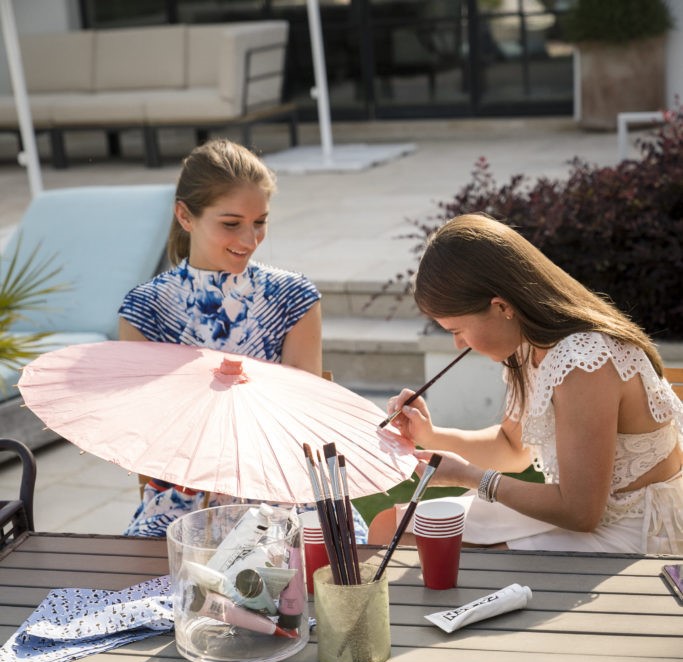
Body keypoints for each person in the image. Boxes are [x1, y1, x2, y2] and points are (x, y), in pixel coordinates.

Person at [370, 213, 683, 554]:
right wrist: (428, 434)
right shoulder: (528, 346)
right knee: (392, 528)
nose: (458, 344)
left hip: (634, 532)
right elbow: (511, 447)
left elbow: (581, 513)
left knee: (442, 552)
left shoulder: (584, 359)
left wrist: (471, 478)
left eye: (457, 331)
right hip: (576, 516)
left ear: (501, 306)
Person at [118, 137, 366, 541]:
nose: (249, 240)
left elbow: (303, 420)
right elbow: (149, 437)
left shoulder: (293, 297)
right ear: (185, 215)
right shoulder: (146, 310)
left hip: (283, 487)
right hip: (184, 496)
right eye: (231, 224)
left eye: (260, 222)